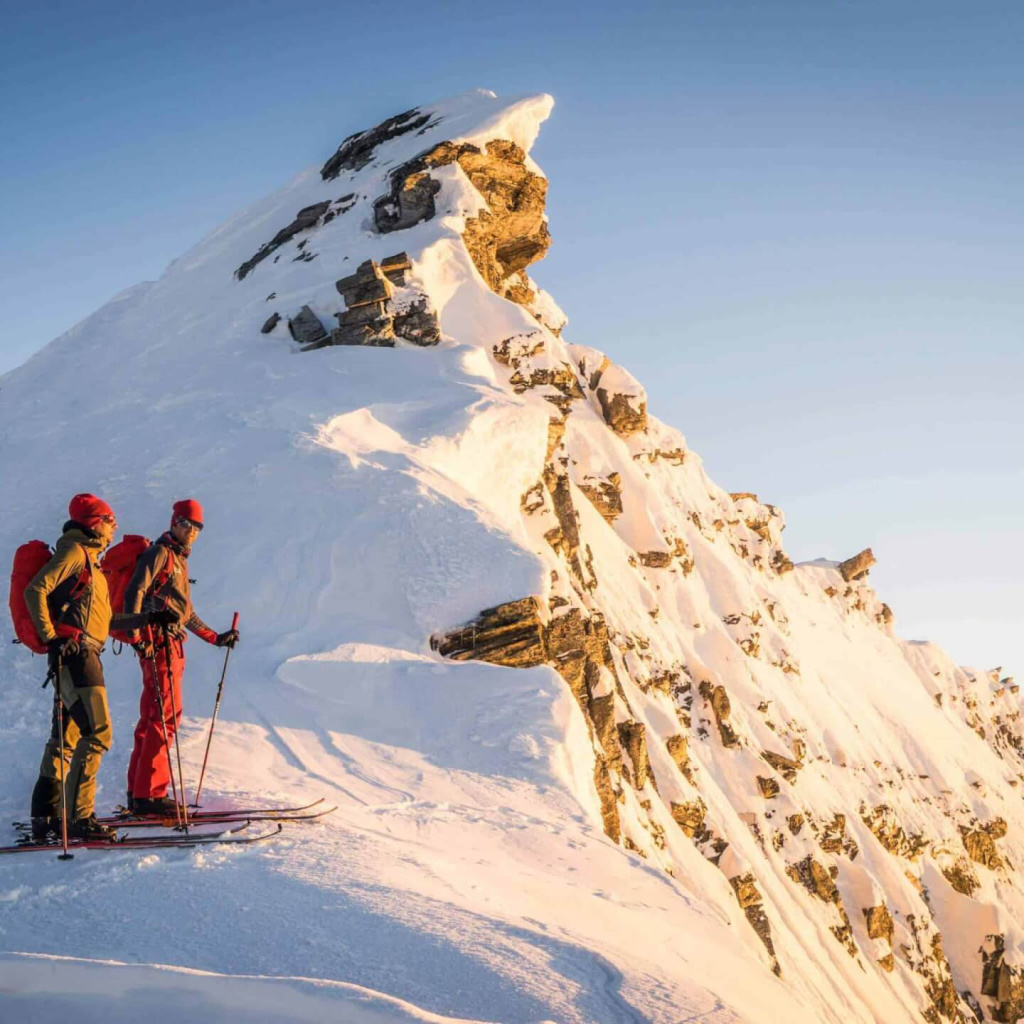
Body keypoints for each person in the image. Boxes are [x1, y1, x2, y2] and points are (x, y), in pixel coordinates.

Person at [25, 494, 167, 840]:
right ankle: (78, 818)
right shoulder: (75, 553)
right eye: (109, 518)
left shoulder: (89, 561)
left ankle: (46, 814)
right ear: (93, 522)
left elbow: (101, 621)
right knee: (98, 732)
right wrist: (52, 637)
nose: (114, 525)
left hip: (77, 652)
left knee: (67, 735)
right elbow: (35, 590)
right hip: (77, 656)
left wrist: (147, 617)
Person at [124, 499, 239, 815]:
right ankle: (151, 796)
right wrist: (136, 635)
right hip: (160, 644)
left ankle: (139, 793)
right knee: (165, 718)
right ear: (174, 522)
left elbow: (183, 612)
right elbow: (134, 591)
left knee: (153, 718)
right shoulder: (162, 553)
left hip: (163, 644)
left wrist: (215, 638)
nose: (191, 530)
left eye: (197, 526)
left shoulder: (176, 558)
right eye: (186, 523)